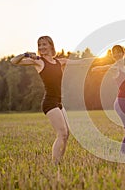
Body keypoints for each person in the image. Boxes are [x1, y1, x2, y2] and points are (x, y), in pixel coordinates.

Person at [10, 36, 92, 165]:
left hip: (59, 103)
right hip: (49, 103)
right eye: (39, 45)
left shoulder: (60, 62)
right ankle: (54, 165)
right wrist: (25, 54)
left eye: (44, 44)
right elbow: (14, 61)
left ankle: (58, 162)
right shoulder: (39, 61)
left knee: (66, 135)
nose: (41, 47)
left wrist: (101, 60)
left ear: (51, 46)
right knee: (62, 133)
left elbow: (81, 62)